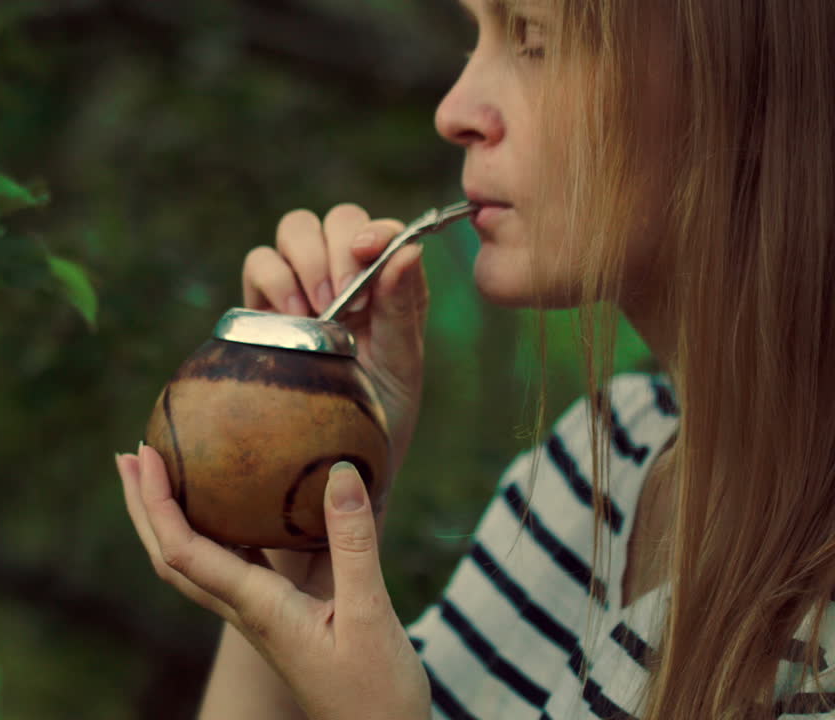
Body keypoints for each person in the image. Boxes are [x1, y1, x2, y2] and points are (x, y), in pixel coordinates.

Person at [116, 0, 835, 717]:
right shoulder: (601, 468)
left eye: (532, 40)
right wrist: (307, 497)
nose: (453, 113)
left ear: (749, 80)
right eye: (476, 39)